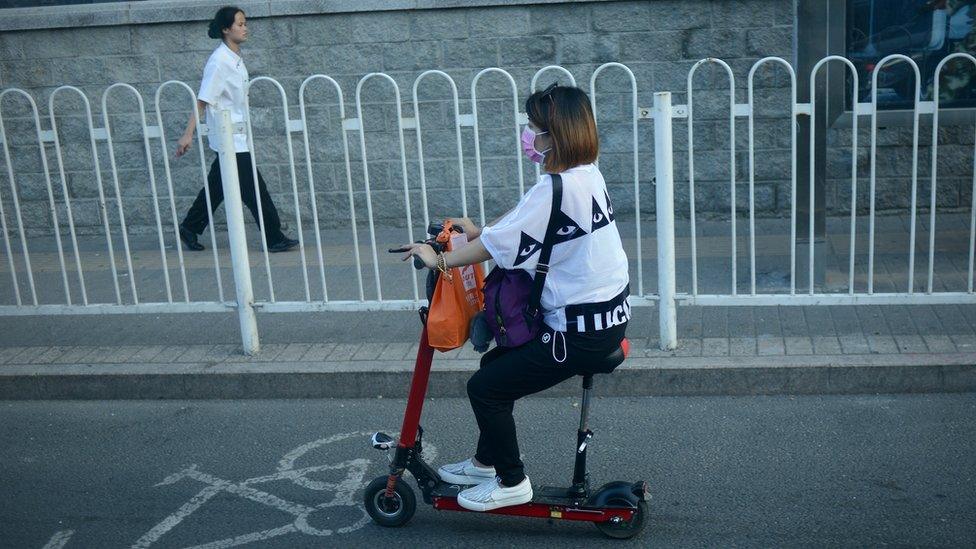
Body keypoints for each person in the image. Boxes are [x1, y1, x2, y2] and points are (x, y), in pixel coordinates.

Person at [397, 84, 631, 512]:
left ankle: (511, 481)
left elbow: (497, 244)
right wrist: (478, 228)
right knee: (494, 365)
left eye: (535, 129)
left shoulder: (556, 188)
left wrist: (438, 261)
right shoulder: (586, 175)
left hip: (578, 334)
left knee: (485, 388)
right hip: (604, 319)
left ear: (556, 136)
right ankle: (487, 463)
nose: (529, 136)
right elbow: (522, 221)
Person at [174, 6, 298, 253]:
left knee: (218, 186)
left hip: (238, 135)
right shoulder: (219, 61)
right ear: (225, 29)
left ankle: (190, 226)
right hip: (229, 137)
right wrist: (188, 133)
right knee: (254, 189)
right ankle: (273, 237)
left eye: (245, 23)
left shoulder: (234, 59)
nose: (245, 28)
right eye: (240, 24)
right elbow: (204, 98)